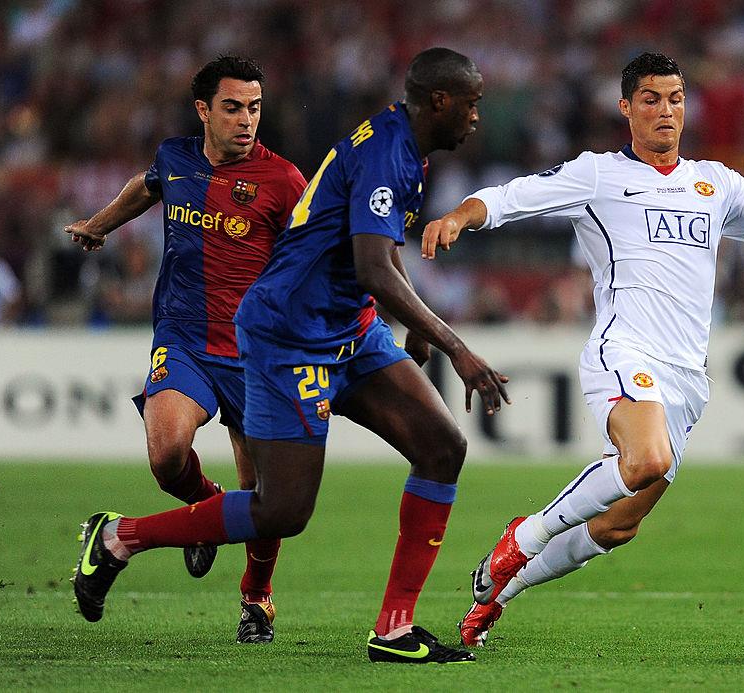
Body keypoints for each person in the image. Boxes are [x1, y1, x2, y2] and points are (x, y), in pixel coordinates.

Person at [73, 47, 509, 664]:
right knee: (281, 509)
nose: (477, 116)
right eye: (472, 104)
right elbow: (371, 266)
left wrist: (413, 327)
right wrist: (454, 347)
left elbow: (377, 245)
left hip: (349, 328)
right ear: (440, 102)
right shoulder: (386, 152)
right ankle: (121, 537)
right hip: (289, 335)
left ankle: (393, 630)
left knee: (442, 448)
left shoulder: (398, 144)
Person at [421, 52, 744, 647]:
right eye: (651, 99)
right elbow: (510, 198)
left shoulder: (715, 184)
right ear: (626, 108)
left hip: (687, 376)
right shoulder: (598, 175)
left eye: (676, 99)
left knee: (616, 527)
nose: (666, 111)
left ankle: (497, 594)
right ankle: (525, 536)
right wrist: (459, 216)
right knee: (647, 461)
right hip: (625, 349)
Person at [65, 55, 307, 643]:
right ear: (203, 109)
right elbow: (145, 187)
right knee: (166, 455)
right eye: (232, 107)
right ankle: (205, 506)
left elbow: (313, 251)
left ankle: (257, 598)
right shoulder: (175, 159)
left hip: (256, 352)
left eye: (254, 108)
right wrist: (99, 225)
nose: (246, 120)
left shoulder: (283, 180)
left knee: (263, 498)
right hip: (184, 337)